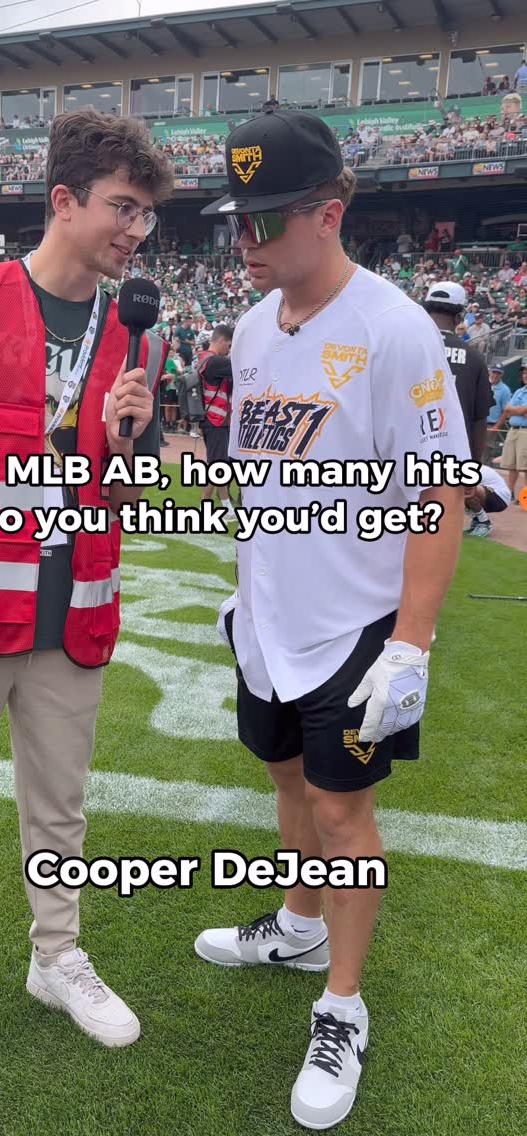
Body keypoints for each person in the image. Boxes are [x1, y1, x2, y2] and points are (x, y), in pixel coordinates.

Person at [196, 108, 470, 1132]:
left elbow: (439, 493)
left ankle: (342, 1005)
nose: (247, 240)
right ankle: (300, 923)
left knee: (342, 809)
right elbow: (262, 473)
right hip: (270, 615)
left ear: (328, 212)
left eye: (267, 218)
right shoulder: (251, 330)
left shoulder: (394, 329)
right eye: (238, 219)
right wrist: (248, 581)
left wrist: (411, 642)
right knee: (283, 776)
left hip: (355, 620)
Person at [0, 109, 173, 1080]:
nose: (136, 230)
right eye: (122, 207)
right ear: (64, 201)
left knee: (61, 809)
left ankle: (56, 955)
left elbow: (122, 494)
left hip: (73, 610)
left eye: (145, 214)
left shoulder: (136, 336)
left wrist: (129, 444)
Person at [423, 281, 493, 463]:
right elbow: (480, 420)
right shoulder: (475, 358)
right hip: (455, 459)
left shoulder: (403, 350)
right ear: (459, 318)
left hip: (408, 459)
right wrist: (474, 465)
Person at [198, 324, 235, 520]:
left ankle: (206, 506)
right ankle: (227, 508)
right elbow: (240, 367)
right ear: (221, 340)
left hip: (212, 419)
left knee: (216, 462)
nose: (229, 349)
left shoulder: (204, 360)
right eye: (228, 345)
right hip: (216, 420)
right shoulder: (215, 362)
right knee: (218, 465)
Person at [491, 359, 527, 501]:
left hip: (525, 431)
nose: (525, 375)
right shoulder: (519, 391)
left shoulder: (511, 390)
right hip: (513, 429)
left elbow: (521, 410)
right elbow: (507, 409)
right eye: (524, 373)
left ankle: (525, 496)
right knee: (511, 465)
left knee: (525, 466)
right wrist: (519, 410)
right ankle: (510, 493)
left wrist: (516, 409)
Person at [463, 462, 511, 537]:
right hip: (489, 496)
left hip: (500, 499)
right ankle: (477, 521)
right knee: (457, 492)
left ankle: (484, 523)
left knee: (466, 490)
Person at [487, 362, 512, 461]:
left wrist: (496, 426)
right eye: (494, 372)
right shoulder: (482, 383)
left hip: (491, 424)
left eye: (498, 373)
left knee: (485, 452)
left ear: (502, 374)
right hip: (477, 422)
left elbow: (506, 411)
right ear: (490, 372)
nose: (495, 375)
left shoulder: (505, 390)